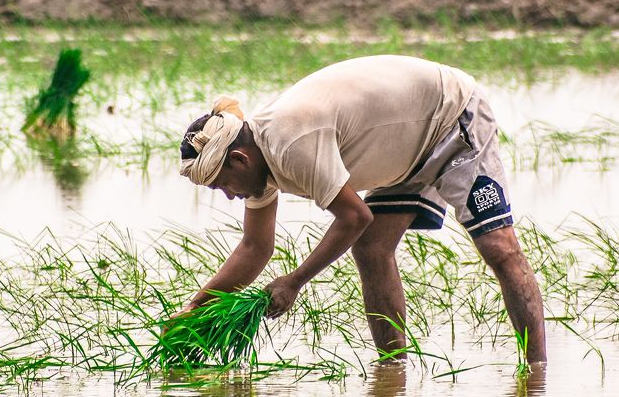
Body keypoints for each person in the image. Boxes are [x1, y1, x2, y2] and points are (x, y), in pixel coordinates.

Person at [178, 54, 546, 363]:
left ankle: (536, 373)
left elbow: (355, 217)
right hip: (402, 148)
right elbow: (255, 247)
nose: (228, 195)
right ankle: (393, 370)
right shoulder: (259, 163)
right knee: (372, 248)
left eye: (222, 184)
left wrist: (294, 281)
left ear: (240, 160)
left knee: (499, 247)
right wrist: (194, 311)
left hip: (449, 115)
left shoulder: (290, 142)